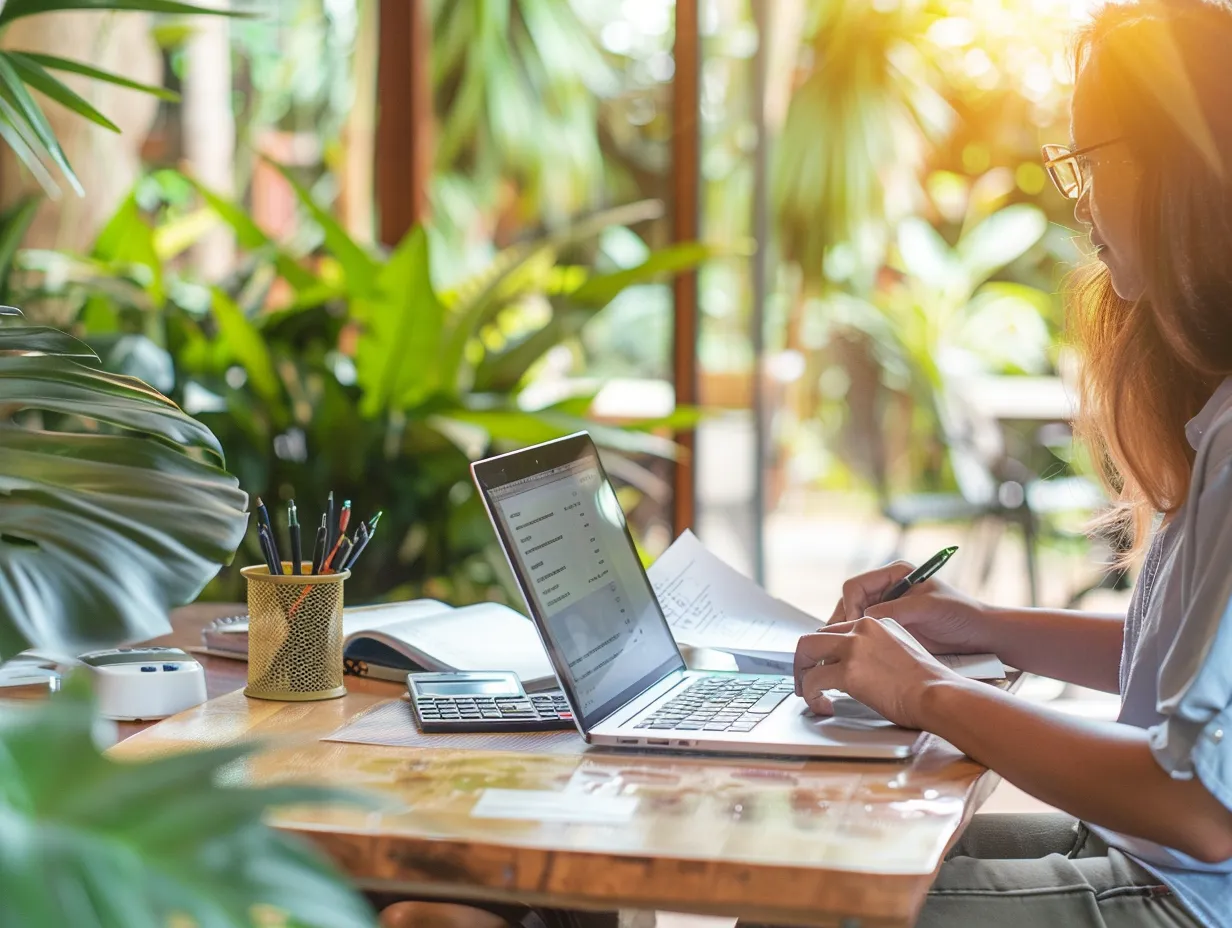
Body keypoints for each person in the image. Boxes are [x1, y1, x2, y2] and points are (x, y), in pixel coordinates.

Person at [790, 2, 1232, 925]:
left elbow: (1198, 806)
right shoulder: (1217, 410)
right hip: (1158, 864)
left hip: (1187, 898)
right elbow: (1190, 679)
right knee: (819, 845)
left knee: (813, 902)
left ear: (1180, 167)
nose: (1078, 204)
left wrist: (927, 692)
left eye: (1089, 163)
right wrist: (982, 623)